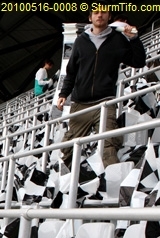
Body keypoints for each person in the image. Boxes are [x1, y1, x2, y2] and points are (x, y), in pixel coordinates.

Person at [57, 7, 145, 167]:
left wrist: (134, 39)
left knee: (108, 146)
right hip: (80, 104)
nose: (100, 14)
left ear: (109, 16)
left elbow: (138, 62)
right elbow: (71, 71)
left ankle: (113, 188)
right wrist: (64, 94)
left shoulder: (117, 40)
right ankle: (65, 185)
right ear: (90, 17)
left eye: (103, 12)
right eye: (96, 12)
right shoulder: (81, 41)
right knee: (68, 148)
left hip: (105, 103)